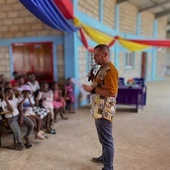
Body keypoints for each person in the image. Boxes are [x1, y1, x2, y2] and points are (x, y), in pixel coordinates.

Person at [82, 44, 118, 170]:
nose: (94, 58)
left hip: (104, 111)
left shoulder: (110, 71)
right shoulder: (102, 68)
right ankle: (104, 157)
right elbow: (101, 84)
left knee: (107, 140)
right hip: (99, 108)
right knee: (103, 138)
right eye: (94, 55)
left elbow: (112, 92)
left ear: (105, 54)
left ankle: (108, 167)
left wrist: (92, 89)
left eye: (96, 55)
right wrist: (93, 78)